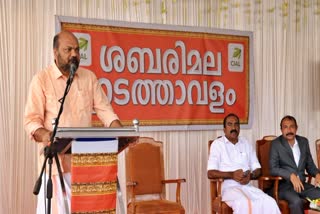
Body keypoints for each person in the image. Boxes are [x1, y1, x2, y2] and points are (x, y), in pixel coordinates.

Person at [24, 30, 122, 214]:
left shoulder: (89, 77)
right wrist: (46, 135)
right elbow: (31, 120)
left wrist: (122, 132)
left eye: (77, 50)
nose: (74, 54)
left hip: (86, 167)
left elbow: (105, 111)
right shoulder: (41, 80)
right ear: (55, 52)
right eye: (68, 49)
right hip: (56, 167)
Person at [207, 113, 280, 214]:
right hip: (229, 188)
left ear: (239, 128)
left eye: (236, 124)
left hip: (247, 187)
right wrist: (232, 175)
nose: (233, 127)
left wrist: (250, 176)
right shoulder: (217, 145)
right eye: (230, 124)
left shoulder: (245, 143)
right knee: (245, 203)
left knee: (269, 202)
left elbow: (258, 170)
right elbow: (210, 173)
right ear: (224, 129)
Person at [269, 115, 320, 214]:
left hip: (302, 185)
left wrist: (317, 174)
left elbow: (310, 165)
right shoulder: (276, 144)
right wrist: (290, 175)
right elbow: (273, 168)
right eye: (285, 127)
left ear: (296, 128)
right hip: (284, 186)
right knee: (296, 201)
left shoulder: (303, 142)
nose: (289, 130)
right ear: (281, 129)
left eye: (292, 126)